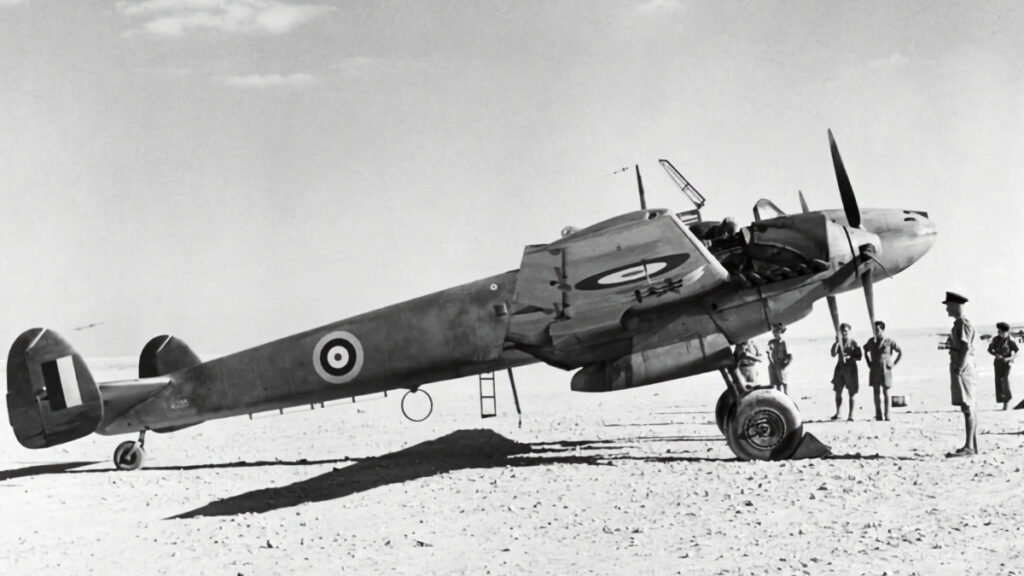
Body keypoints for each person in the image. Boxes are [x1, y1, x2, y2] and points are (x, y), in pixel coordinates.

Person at [944, 291, 978, 456]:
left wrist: (960, 367)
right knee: (968, 405)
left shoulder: (962, 324)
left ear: (956, 305)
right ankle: (971, 444)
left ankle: (969, 446)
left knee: (967, 406)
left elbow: (965, 347)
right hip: (962, 366)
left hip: (963, 368)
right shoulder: (958, 324)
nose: (946, 309)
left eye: (948, 305)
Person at [863, 321, 903, 421]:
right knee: (876, 392)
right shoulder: (871, 341)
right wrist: (868, 363)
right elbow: (865, 350)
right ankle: (878, 415)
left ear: (882, 330)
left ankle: (887, 415)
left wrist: (893, 364)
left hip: (886, 370)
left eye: (878, 330)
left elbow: (900, 352)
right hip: (874, 370)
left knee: (886, 392)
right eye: (874, 330)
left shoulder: (889, 341)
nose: (876, 332)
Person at [830, 323, 862, 421]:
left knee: (852, 393)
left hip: (851, 370)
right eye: (842, 331)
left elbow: (859, 357)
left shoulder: (854, 343)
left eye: (846, 331)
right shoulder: (838, 342)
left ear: (849, 332)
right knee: (838, 392)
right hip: (840, 369)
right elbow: (833, 354)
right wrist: (836, 343)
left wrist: (850, 357)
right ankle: (838, 413)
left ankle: (851, 415)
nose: (844, 333)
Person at [987, 321, 1018, 410]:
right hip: (998, 363)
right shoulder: (995, 339)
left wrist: (1010, 359)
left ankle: (1007, 401)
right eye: (998, 331)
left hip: (1007, 363)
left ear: (1006, 332)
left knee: (1005, 380)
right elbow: (989, 349)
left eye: (1000, 331)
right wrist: (995, 354)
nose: (999, 333)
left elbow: (1017, 351)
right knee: (998, 382)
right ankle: (1003, 401)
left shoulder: (1011, 340)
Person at [767, 323, 791, 395]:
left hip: (781, 365)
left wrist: (784, 365)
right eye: (773, 332)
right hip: (773, 365)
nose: (773, 333)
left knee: (785, 387)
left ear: (780, 331)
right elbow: (768, 353)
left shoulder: (784, 342)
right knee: (777, 387)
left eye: (775, 332)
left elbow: (790, 357)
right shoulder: (772, 342)